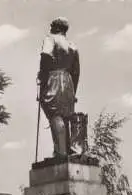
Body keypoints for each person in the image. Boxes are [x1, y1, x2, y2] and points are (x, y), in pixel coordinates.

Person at [38, 17, 80, 157]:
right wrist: (73, 91)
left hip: (53, 78)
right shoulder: (72, 45)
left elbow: (45, 56)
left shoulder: (50, 39)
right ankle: (68, 149)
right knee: (65, 116)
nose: (50, 28)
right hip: (68, 81)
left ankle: (60, 153)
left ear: (56, 28)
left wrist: (43, 77)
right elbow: (76, 72)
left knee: (54, 114)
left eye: (52, 25)